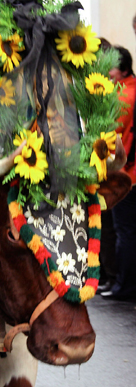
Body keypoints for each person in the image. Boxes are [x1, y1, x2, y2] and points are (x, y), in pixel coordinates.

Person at [101, 45, 136, 300]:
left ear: (122, 69)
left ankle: (124, 286)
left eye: (110, 66)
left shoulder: (125, 96)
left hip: (127, 174)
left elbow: (109, 130)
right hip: (130, 171)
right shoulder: (129, 89)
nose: (106, 71)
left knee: (124, 231)